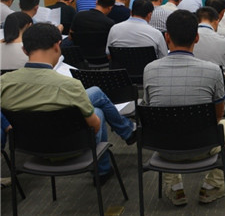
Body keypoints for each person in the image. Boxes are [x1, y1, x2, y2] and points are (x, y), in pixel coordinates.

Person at [1, 23, 135, 186]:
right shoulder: (69, 85)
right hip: (72, 147)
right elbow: (95, 127)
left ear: (24, 50)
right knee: (98, 111)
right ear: (57, 46)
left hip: (30, 148)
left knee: (95, 95)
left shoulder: (3, 82)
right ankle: (105, 166)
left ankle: (109, 162)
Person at [143, 10, 225, 206]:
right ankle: (212, 185)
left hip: (163, 147)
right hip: (203, 146)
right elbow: (218, 116)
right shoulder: (213, 71)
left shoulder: (149, 69)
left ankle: (174, 186)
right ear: (196, 38)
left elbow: (150, 110)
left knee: (163, 124)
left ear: (167, 37)